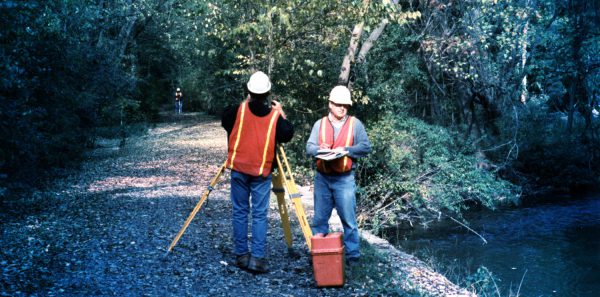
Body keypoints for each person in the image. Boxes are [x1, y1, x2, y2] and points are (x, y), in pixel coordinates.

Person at [221, 71, 294, 273]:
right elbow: (288, 133)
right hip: (261, 172)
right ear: (268, 92)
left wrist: (245, 102)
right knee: (260, 215)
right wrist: (281, 112)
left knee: (240, 211)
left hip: (238, 169)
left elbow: (224, 119)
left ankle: (242, 256)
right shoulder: (274, 117)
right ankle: (257, 259)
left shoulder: (237, 110)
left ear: (248, 91)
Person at [306, 85, 372, 265]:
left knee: (349, 221)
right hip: (322, 178)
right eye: (338, 104)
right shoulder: (319, 124)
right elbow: (309, 147)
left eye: (345, 105)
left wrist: (346, 150)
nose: (342, 108)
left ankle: (353, 256)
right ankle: (319, 255)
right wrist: (320, 149)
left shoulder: (355, 124)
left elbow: (366, 147)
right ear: (330, 104)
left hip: (344, 179)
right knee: (320, 220)